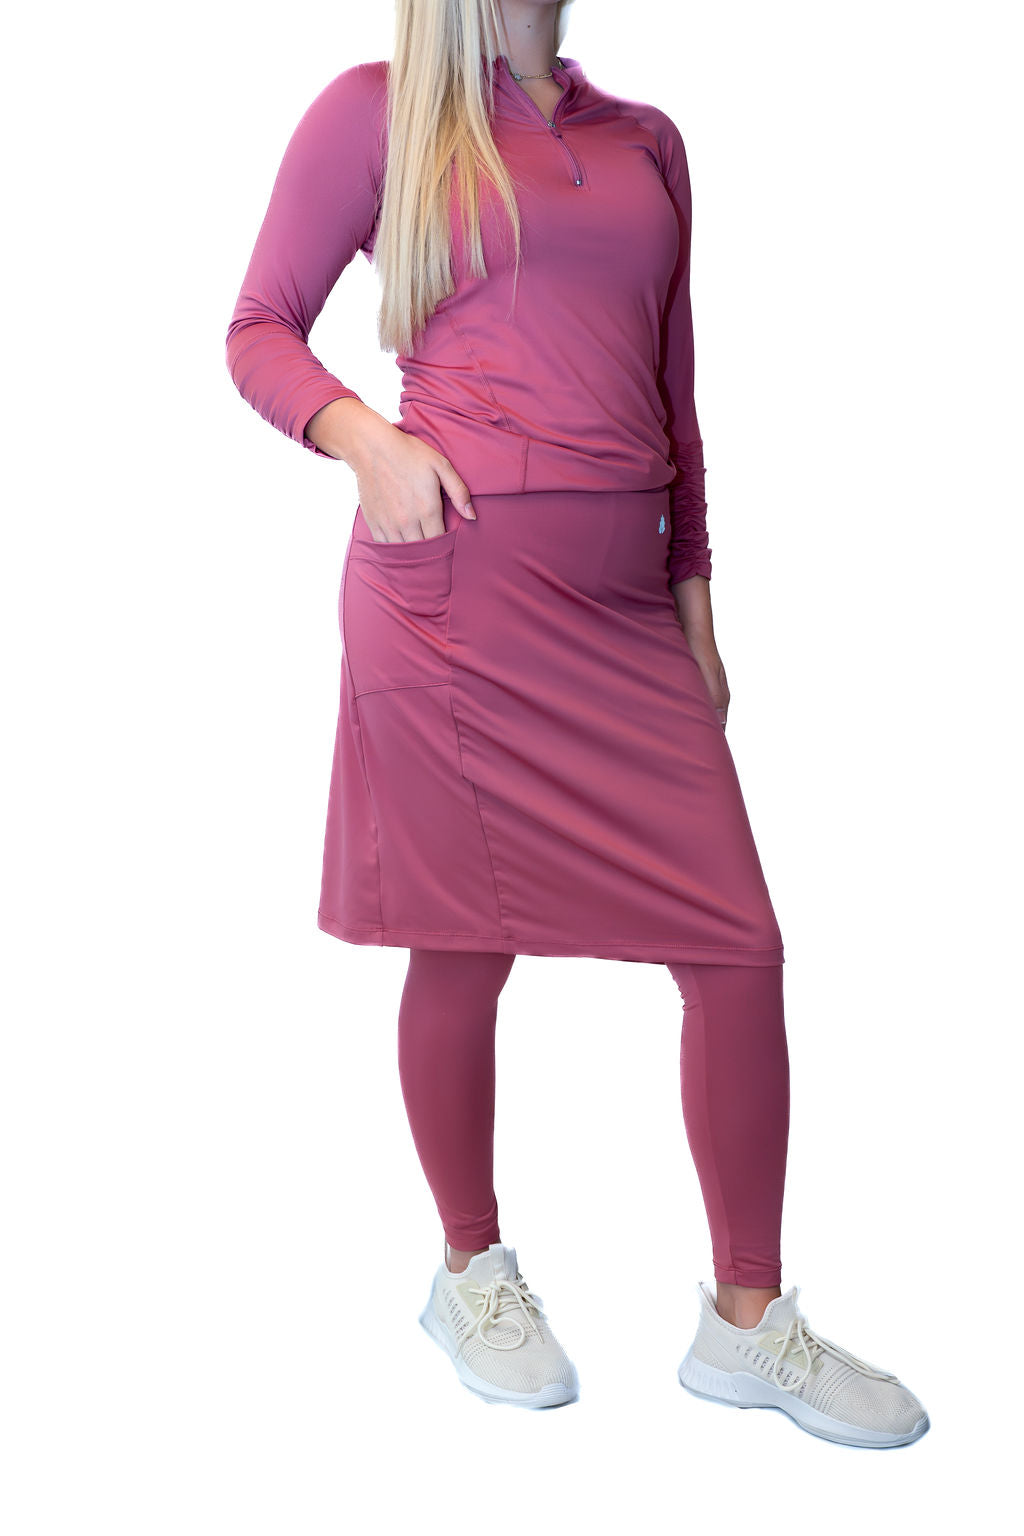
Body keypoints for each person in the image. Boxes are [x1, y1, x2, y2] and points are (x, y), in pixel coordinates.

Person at [225, 0, 929, 1444]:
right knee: (460, 940)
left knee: (735, 944)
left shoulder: (647, 142)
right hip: (450, 598)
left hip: (623, 610)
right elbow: (256, 332)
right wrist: (367, 443)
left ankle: (749, 1325)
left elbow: (677, 404)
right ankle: (471, 1272)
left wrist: (698, 610)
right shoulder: (380, 109)